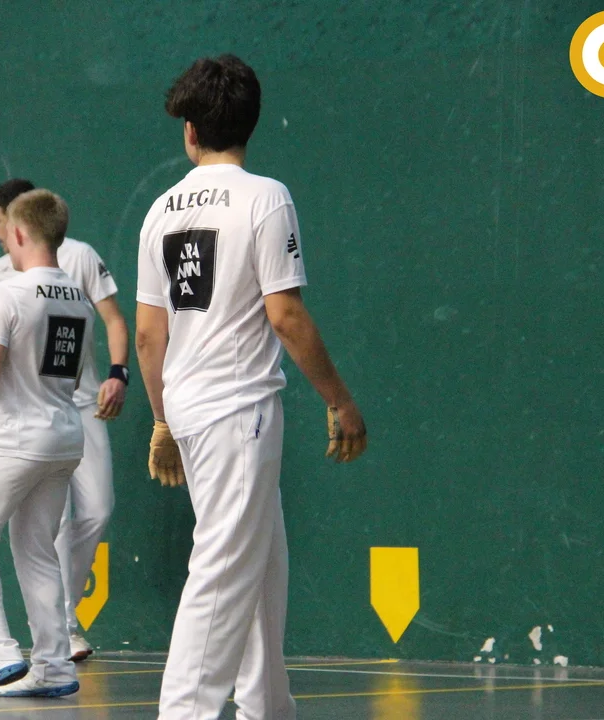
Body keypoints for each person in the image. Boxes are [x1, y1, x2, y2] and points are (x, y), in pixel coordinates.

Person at [135, 54, 368, 720]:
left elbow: (149, 335)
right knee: (223, 570)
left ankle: (267, 707)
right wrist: (340, 399)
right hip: (239, 412)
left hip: (191, 409)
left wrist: (162, 420)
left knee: (261, 562)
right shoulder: (266, 196)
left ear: (189, 131)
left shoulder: (159, 210)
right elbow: (285, 315)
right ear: (251, 123)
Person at [0, 178, 129, 661]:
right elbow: (3, 353)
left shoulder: (74, 264)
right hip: (39, 417)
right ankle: (57, 641)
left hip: (68, 411)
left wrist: (118, 373)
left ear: (20, 227)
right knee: (42, 534)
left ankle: (1, 649)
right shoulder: (2, 277)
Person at [0, 189, 93, 701]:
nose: (1, 237)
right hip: (65, 437)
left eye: (5, 230)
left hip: (18, 438)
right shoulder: (78, 297)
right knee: (36, 551)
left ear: (21, 233)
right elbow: (65, 374)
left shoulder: (5, 293)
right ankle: (53, 666)